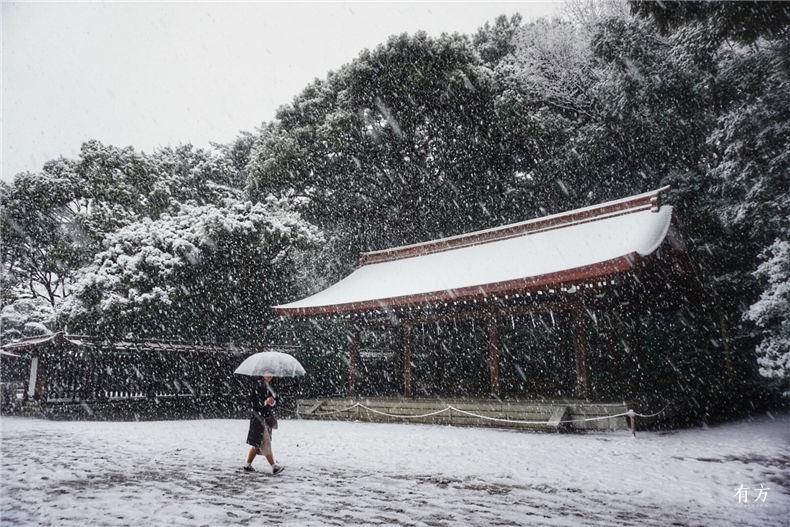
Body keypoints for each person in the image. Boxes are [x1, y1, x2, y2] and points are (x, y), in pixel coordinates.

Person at [243, 373, 285, 474]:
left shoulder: (270, 387)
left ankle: (247, 465)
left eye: (271, 373)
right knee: (265, 441)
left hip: (266, 418)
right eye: (267, 373)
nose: (270, 375)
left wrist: (272, 402)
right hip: (258, 419)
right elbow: (253, 403)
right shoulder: (257, 386)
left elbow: (275, 400)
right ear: (262, 374)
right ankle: (274, 466)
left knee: (257, 444)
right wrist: (266, 401)